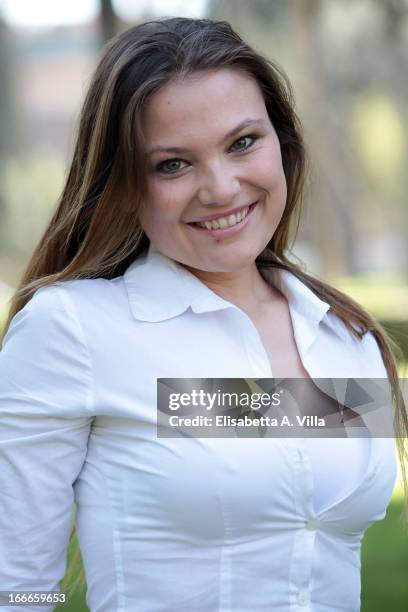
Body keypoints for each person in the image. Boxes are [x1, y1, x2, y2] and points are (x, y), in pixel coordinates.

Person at [0, 17, 406, 612]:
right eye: (173, 164)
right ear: (124, 184)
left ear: (283, 143)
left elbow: (295, 490)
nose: (220, 187)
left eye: (243, 142)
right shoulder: (72, 331)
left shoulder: (345, 334)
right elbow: (18, 585)